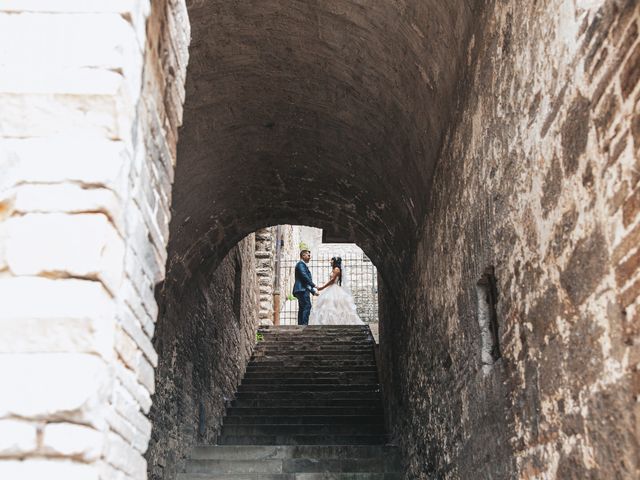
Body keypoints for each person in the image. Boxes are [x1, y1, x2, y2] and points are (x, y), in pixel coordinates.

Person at [309, 256, 364, 325]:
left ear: (335, 261)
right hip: (332, 288)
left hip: (333, 288)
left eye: (331, 260)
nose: (330, 262)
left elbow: (332, 281)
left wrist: (322, 287)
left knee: (333, 306)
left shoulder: (336, 269)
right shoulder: (335, 269)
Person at [292, 250, 319, 325]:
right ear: (303, 256)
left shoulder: (302, 265)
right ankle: (304, 326)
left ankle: (300, 325)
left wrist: (313, 291)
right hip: (302, 290)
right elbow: (305, 277)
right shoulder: (300, 264)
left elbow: (304, 281)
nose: (310, 257)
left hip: (301, 289)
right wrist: (314, 285)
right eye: (308, 255)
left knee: (302, 308)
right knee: (307, 306)